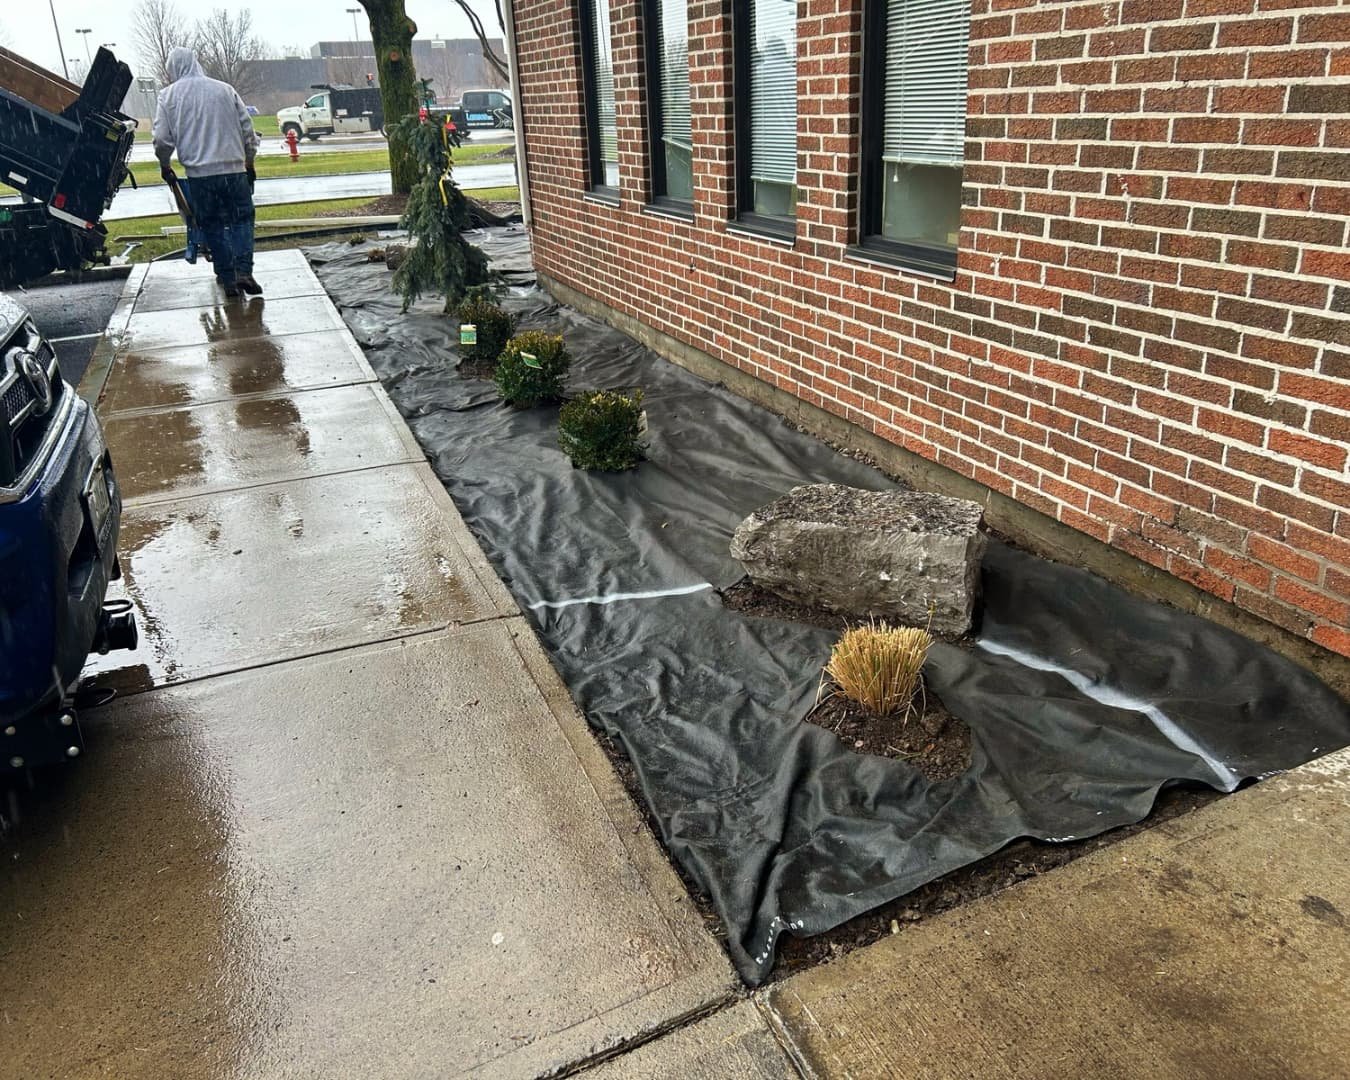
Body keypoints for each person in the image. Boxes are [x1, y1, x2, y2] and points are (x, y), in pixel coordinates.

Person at [152, 47, 261, 298]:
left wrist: (165, 164)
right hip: (234, 170)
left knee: (212, 225)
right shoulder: (225, 90)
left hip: (200, 176)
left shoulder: (168, 97)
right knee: (241, 220)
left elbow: (161, 140)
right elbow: (248, 131)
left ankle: (227, 277)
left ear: (173, 69)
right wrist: (249, 161)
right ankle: (244, 270)